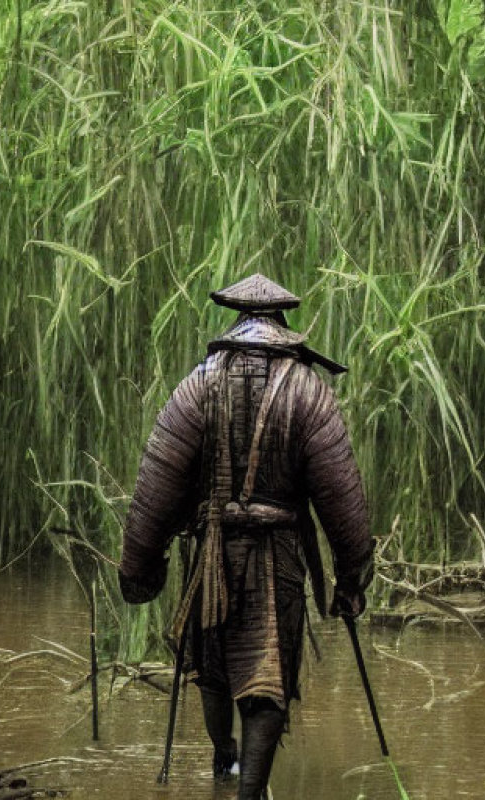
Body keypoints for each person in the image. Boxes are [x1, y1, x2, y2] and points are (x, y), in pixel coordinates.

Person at [118, 274, 374, 800]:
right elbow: (342, 498)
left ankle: (225, 764)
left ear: (235, 319)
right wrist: (351, 578)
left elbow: (157, 483)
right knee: (268, 677)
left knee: (212, 666)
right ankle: (249, 790)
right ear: (282, 322)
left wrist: (139, 566)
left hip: (211, 553)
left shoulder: (200, 384)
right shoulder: (308, 390)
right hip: (276, 556)